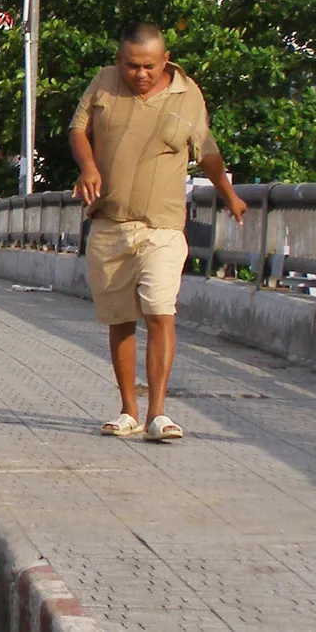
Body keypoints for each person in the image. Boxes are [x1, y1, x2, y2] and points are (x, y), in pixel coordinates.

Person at [69, 22, 247, 441]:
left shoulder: (188, 95)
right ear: (120, 60)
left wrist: (229, 194)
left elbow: (207, 151)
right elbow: (78, 130)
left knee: (160, 311)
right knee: (120, 319)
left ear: (165, 60)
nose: (141, 74)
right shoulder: (104, 83)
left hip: (163, 227)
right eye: (132, 65)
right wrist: (88, 166)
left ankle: (158, 414)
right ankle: (128, 411)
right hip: (110, 223)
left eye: (149, 66)